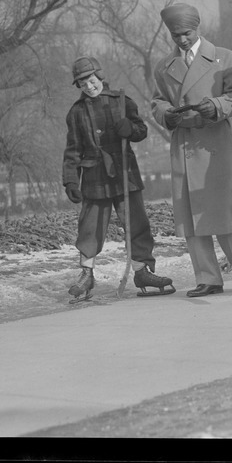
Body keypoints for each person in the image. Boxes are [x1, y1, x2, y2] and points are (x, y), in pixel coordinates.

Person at [151, 4, 232, 298]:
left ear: (198, 28)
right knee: (192, 220)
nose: (181, 40)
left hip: (215, 145)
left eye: (186, 33)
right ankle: (208, 278)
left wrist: (217, 106)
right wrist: (165, 115)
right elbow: (157, 101)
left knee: (220, 213)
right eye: (176, 35)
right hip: (184, 145)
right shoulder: (163, 66)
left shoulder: (224, 57)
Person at [62, 56, 175, 300]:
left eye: (91, 81)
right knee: (90, 228)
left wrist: (130, 129)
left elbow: (141, 131)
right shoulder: (76, 113)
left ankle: (142, 271)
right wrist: (71, 180)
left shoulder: (122, 102)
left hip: (125, 174)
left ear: (99, 77)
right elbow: (72, 151)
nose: (89, 87)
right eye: (82, 84)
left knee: (136, 223)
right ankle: (86, 275)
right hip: (94, 177)